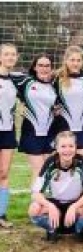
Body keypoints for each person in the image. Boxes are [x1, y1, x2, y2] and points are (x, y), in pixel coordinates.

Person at [28, 131, 83, 242]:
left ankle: (79, 230)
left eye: (71, 146)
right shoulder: (50, 163)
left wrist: (74, 206)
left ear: (75, 147)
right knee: (34, 209)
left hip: (75, 206)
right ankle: (52, 229)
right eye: (63, 146)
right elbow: (35, 193)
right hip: (56, 205)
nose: (67, 150)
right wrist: (50, 206)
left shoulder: (82, 162)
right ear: (57, 148)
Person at [11, 54, 57, 183]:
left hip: (50, 134)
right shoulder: (25, 81)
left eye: (47, 66)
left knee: (48, 171)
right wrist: (17, 106)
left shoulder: (54, 85)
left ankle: (43, 202)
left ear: (51, 68)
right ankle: (36, 202)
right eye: (40, 65)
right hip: (31, 133)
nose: (44, 68)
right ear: (34, 67)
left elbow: (57, 105)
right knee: (39, 171)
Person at [53, 45, 83, 163]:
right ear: (66, 60)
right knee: (62, 168)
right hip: (62, 129)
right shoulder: (56, 78)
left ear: (82, 61)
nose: (75, 63)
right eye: (72, 60)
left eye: (78, 60)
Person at [0, 43, 19, 228]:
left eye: (13, 54)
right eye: (6, 54)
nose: (10, 57)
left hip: (8, 131)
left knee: (4, 173)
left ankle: (1, 214)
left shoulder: (17, 80)